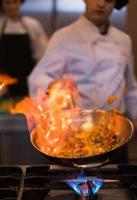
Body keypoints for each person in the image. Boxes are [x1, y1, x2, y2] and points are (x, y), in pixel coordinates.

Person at [0, 0, 48, 97]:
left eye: (15, 2)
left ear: (20, 3)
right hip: (4, 82)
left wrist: (40, 81)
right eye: (7, 2)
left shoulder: (33, 25)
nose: (11, 6)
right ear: (2, 4)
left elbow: (42, 57)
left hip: (29, 80)